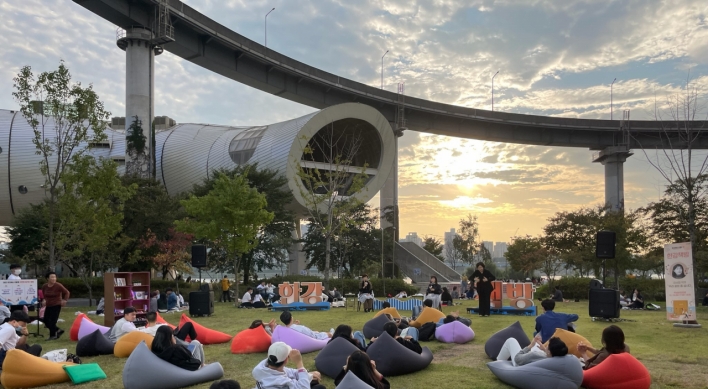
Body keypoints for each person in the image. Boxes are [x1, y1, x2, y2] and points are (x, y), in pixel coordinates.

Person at [252, 341, 325, 389]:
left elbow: (290, 372)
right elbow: (304, 387)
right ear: (286, 360)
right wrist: (299, 362)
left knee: (314, 379)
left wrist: (308, 374)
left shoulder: (264, 366)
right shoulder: (279, 381)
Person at [41, 271, 70, 340]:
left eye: (55, 277)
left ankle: (52, 335)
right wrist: (44, 300)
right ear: (47, 278)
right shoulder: (44, 286)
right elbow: (44, 295)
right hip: (48, 305)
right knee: (45, 320)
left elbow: (67, 292)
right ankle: (58, 330)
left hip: (56, 305)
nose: (54, 279)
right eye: (52, 277)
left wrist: (64, 300)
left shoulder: (58, 285)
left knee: (52, 321)